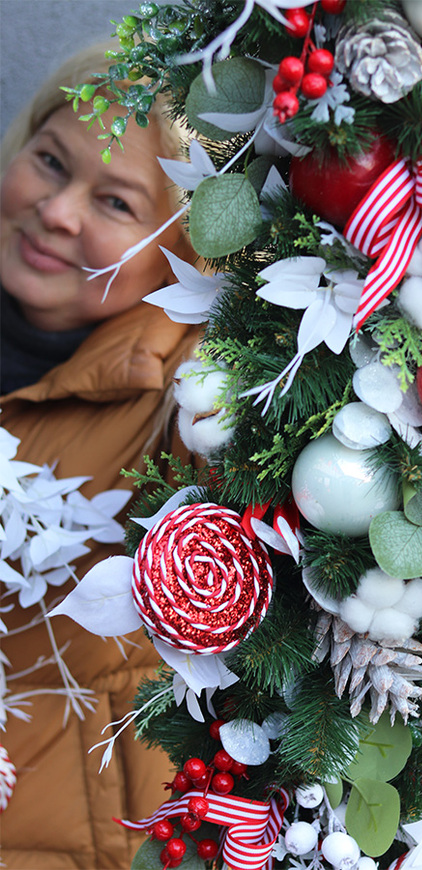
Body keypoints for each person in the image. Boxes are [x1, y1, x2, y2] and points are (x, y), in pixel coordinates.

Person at [0, 42, 203, 868]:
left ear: (180, 252)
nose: (58, 211)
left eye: (115, 202)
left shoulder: (193, 406)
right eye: (50, 161)